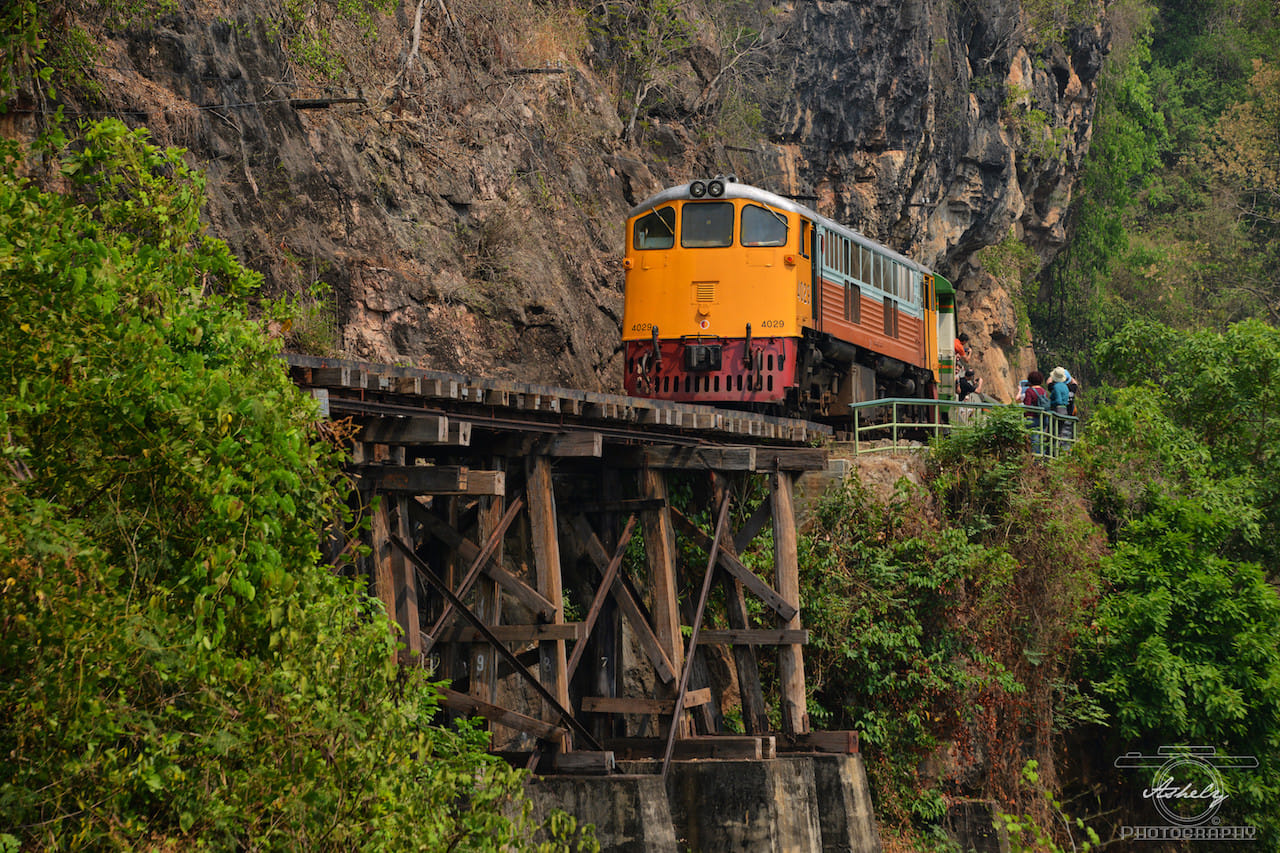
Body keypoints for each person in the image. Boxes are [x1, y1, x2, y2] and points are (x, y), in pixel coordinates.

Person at [1022, 370, 1050, 454]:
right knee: (1041, 438)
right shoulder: (1044, 391)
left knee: (1034, 439)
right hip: (1043, 418)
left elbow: (1027, 405)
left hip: (1032, 418)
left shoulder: (1029, 391)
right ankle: (1042, 456)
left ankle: (1037, 458)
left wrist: (1025, 416)